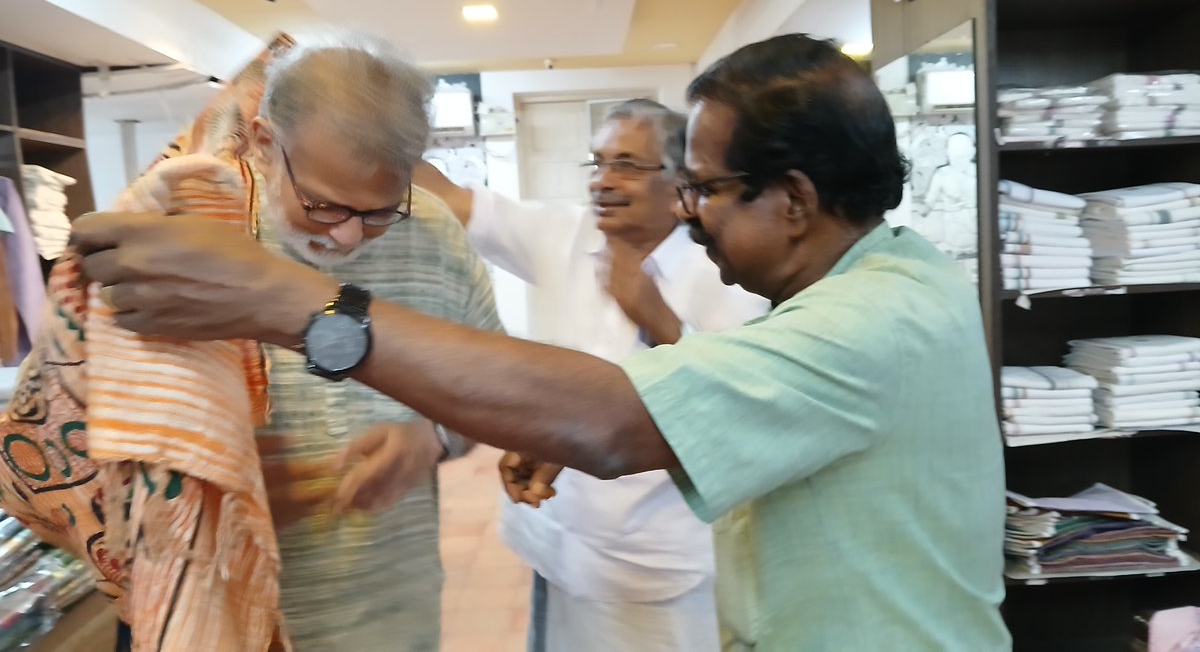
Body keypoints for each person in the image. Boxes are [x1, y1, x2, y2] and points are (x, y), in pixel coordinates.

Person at [73, 34, 1011, 651]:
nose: (690, 212)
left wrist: (302, 307)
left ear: (797, 199)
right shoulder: (895, 278)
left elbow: (609, 416)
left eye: (705, 189)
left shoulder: (867, 322)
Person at [5, 36, 504, 651]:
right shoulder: (190, 234)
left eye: (379, 211)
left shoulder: (437, 236)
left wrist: (430, 436)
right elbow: (86, 436)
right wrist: (204, 500)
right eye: (324, 206)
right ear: (267, 143)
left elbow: (487, 389)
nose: (349, 235)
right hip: (231, 616)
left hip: (393, 608)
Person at [415, 99, 767, 652]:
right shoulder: (566, 234)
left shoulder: (727, 275)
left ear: (681, 182)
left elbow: (738, 416)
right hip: (555, 541)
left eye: (627, 164)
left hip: (656, 570)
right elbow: (448, 196)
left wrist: (661, 322)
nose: (602, 181)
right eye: (596, 162)